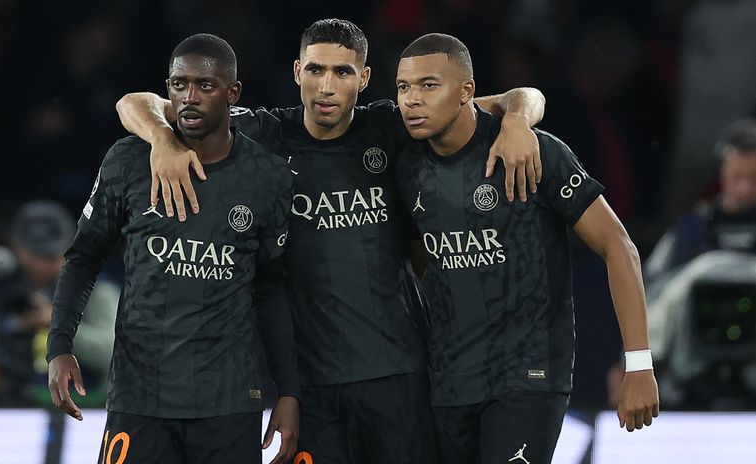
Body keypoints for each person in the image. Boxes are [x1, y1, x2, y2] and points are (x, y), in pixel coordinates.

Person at [116, 19, 545, 463]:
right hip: (314, 388)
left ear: (364, 78)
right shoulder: (262, 134)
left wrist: (517, 121)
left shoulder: (390, 126)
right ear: (297, 71)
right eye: (316, 70)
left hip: (399, 375)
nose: (326, 86)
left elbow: (522, 97)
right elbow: (134, 103)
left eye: (342, 72)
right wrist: (162, 139)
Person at [393, 33, 659, 463]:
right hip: (447, 382)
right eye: (403, 87)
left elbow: (618, 246)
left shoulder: (530, 151)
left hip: (527, 376)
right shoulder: (405, 163)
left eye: (429, 85)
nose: (412, 99)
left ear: (467, 91)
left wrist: (639, 363)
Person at [47, 34, 299, 464]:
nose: (190, 97)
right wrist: (59, 345)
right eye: (180, 85)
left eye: (206, 85)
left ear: (233, 93)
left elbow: (271, 289)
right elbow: (83, 257)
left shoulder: (268, 178)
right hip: (139, 397)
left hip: (228, 402)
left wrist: (289, 391)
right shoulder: (129, 160)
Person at [637, 118, 756, 408]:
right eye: (738, 176)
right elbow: (649, 295)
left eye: (753, 179)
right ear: (724, 168)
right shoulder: (691, 230)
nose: (744, 189)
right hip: (691, 377)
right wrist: (632, 364)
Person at [0, 200, 117, 405]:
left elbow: (112, 355)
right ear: (18, 250)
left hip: (86, 407)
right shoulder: (11, 295)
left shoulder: (97, 292)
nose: (40, 265)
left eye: (50, 257)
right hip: (22, 407)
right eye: (34, 255)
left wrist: (56, 323)